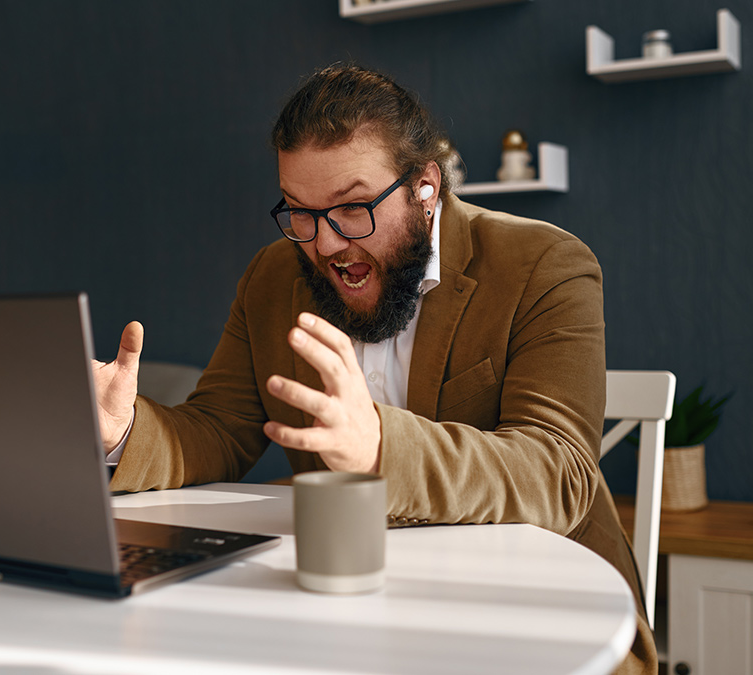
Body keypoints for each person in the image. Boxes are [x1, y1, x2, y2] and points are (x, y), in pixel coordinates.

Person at [93, 64, 657, 674]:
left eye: (354, 206)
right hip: (353, 610)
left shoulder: (544, 263)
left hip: (540, 613)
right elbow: (219, 427)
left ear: (425, 186)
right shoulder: (273, 277)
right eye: (300, 213)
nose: (327, 243)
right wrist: (121, 433)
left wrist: (378, 445)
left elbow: (559, 472)